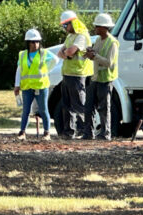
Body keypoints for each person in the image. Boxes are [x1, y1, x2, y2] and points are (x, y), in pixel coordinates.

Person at [14, 29, 58, 141]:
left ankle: (47, 133)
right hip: (27, 87)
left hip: (41, 86)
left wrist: (47, 70)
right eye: (33, 42)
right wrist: (17, 85)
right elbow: (19, 69)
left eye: (37, 42)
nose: (36, 44)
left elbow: (55, 60)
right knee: (26, 111)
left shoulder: (44, 53)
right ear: (28, 42)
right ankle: (22, 132)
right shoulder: (22, 54)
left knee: (43, 110)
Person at [57, 10, 93, 139]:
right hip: (67, 74)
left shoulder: (81, 36)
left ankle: (86, 131)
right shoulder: (70, 37)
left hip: (78, 75)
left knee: (79, 105)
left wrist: (67, 53)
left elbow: (70, 51)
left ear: (73, 23)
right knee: (67, 106)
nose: (64, 28)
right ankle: (69, 132)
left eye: (65, 25)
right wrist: (67, 53)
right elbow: (60, 53)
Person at [83, 13, 119, 141]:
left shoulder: (113, 43)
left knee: (104, 108)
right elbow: (96, 55)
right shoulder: (98, 40)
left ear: (104, 27)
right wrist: (90, 53)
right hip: (96, 78)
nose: (95, 28)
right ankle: (88, 133)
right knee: (89, 107)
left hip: (106, 80)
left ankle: (105, 134)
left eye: (97, 26)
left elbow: (109, 62)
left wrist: (94, 56)